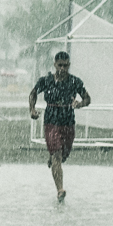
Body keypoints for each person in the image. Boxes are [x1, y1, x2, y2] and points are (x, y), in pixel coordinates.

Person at [30, 51, 90, 202]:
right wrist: (32, 109)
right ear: (55, 65)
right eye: (60, 65)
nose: (62, 68)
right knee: (57, 155)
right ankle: (60, 190)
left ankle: (54, 158)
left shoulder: (75, 82)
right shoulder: (46, 81)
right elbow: (33, 94)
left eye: (65, 65)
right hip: (51, 121)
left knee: (63, 155)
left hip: (68, 121)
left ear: (69, 65)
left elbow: (87, 98)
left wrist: (79, 104)